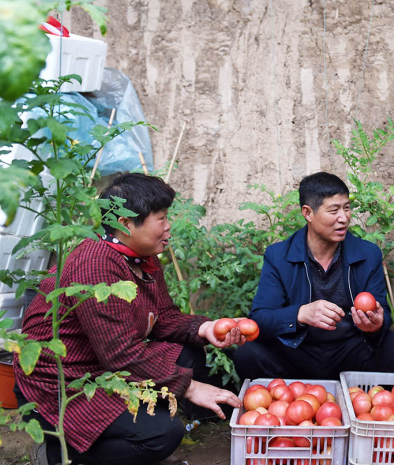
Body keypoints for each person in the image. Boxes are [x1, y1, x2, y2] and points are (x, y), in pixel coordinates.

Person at [14, 173, 244, 465]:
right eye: (160, 218)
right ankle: (58, 453)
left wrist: (204, 327)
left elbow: (162, 317)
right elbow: (121, 355)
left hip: (103, 364)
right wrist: (191, 388)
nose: (168, 225)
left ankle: (129, 437)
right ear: (124, 223)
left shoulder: (141, 258)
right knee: (163, 434)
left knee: (189, 356)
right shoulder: (96, 263)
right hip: (63, 381)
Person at [233, 172, 394, 380]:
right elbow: (260, 318)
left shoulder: (368, 254)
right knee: (247, 354)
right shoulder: (279, 256)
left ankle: (359, 399)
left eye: (346, 208)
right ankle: (293, 400)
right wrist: (301, 314)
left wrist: (376, 324)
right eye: (333, 210)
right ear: (308, 213)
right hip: (298, 350)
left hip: (350, 350)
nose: (344, 218)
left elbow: (383, 313)